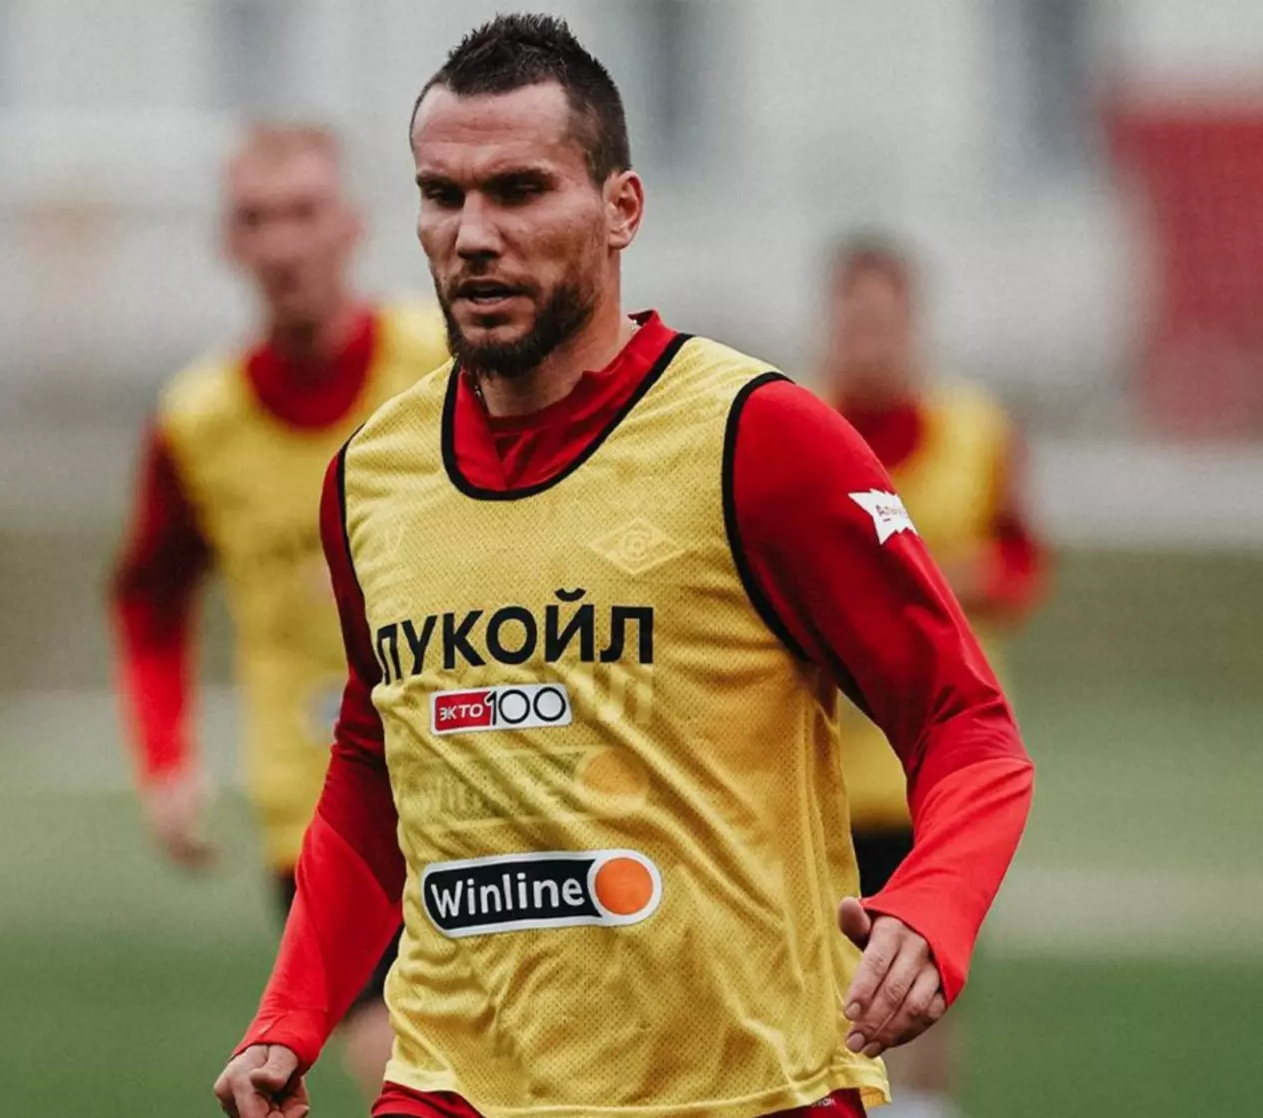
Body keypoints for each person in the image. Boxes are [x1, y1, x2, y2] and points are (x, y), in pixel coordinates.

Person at [214, 16, 1034, 1118]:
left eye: (519, 190)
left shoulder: (759, 438)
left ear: (621, 209)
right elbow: (372, 766)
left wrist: (934, 905)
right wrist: (290, 1013)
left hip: (750, 1092)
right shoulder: (371, 475)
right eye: (443, 195)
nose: (472, 235)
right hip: (451, 1086)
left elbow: (965, 724)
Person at [110, 123, 444, 1101]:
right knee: (398, 1062)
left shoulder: (440, 366)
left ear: (352, 225)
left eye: (304, 212)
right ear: (229, 241)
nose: (283, 242)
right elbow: (149, 595)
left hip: (476, 769)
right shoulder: (198, 421)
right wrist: (166, 758)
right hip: (318, 812)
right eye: (258, 218)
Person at [814, 233, 1047, 1118]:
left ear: (914, 325)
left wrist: (949, 583)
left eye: (885, 321)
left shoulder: (974, 432)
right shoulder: (797, 427)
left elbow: (1023, 562)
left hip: (936, 766)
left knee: (924, 978)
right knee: (819, 977)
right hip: (821, 770)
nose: (870, 340)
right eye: (855, 321)